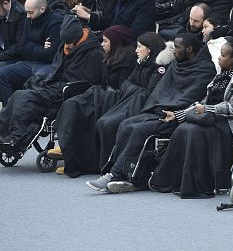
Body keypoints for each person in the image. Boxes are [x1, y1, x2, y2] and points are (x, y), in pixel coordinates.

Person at [87, 33, 217, 193]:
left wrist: (174, 111)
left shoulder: (205, 69)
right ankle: (124, 172)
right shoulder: (177, 64)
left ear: (189, 49)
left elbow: (193, 95)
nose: (173, 51)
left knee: (139, 130)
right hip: (159, 110)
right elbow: (162, 90)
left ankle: (115, 175)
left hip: (177, 116)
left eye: (177, 47)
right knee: (125, 124)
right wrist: (157, 107)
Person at [149, 38, 233, 198]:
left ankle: (198, 185)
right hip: (211, 118)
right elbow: (204, 101)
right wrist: (178, 114)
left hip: (231, 125)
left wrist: (208, 109)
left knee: (194, 132)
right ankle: (174, 181)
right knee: (183, 129)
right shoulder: (221, 75)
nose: (219, 58)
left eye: (223, 55)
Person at [55, 32, 170, 178]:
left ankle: (111, 168)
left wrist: (133, 88)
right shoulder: (141, 63)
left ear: (149, 49)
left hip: (142, 107)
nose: (136, 50)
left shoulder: (159, 68)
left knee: (108, 124)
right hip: (129, 102)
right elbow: (127, 84)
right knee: (100, 120)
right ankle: (103, 166)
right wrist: (135, 89)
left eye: (139, 47)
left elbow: (149, 93)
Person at [0, 15, 105, 158]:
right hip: (54, 86)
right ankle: (4, 133)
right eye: (65, 42)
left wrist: (54, 85)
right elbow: (55, 70)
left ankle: (16, 137)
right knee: (18, 95)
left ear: (77, 38)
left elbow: (88, 81)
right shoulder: (65, 46)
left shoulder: (94, 53)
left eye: (69, 42)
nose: (66, 46)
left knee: (24, 97)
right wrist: (45, 82)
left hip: (68, 92)